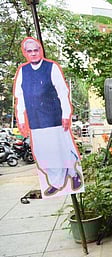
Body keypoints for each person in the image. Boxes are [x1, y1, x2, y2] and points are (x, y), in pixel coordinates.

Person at [13, 37, 82, 196]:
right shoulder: (23, 72)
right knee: (45, 154)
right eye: (29, 51)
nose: (33, 54)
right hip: (36, 121)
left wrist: (66, 114)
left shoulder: (52, 68)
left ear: (40, 51)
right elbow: (20, 98)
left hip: (54, 119)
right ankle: (56, 182)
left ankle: (72, 174)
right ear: (26, 54)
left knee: (61, 150)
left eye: (36, 50)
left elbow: (62, 93)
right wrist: (21, 120)